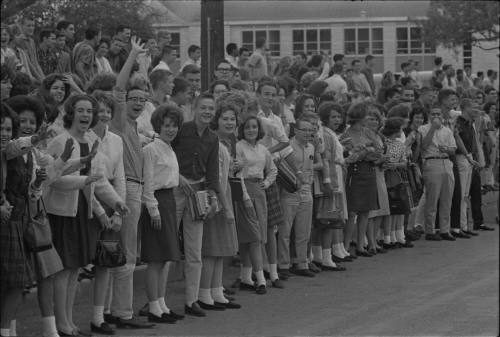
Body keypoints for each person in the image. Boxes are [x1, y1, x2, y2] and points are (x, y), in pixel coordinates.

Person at [44, 94, 127, 335]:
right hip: (61, 213)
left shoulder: (90, 143)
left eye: (89, 112)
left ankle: (68, 322)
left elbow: (98, 182)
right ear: (71, 113)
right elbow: (53, 179)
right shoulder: (60, 141)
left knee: (74, 271)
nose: (85, 115)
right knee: (63, 270)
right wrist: (83, 180)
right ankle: (61, 323)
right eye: (80, 110)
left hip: (82, 212)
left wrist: (116, 202)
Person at [104, 36, 155, 329]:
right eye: (134, 100)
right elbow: (119, 88)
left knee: (124, 253)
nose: (137, 103)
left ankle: (115, 310)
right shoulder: (120, 122)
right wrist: (134, 55)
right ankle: (122, 312)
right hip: (126, 189)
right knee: (127, 255)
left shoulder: (136, 127)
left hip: (133, 189)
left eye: (142, 100)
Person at [171, 92, 220, 317]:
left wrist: (213, 198)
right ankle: (157, 302)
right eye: (204, 108)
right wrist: (177, 177)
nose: (207, 112)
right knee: (167, 245)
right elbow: (165, 152)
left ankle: (192, 301)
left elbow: (212, 172)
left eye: (211, 108)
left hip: (198, 192)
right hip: (175, 189)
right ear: (194, 108)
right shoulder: (181, 130)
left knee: (195, 250)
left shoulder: (213, 138)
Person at [141, 105, 185, 323]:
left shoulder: (169, 148)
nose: (171, 129)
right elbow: (147, 183)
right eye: (166, 125)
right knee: (155, 259)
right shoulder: (151, 149)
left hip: (169, 201)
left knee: (164, 258)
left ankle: (161, 304)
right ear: (158, 125)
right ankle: (153, 308)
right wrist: (152, 209)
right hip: (157, 202)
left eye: (174, 125)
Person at [199, 103, 240, 310]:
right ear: (217, 120)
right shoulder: (215, 142)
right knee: (211, 248)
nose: (229, 122)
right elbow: (216, 177)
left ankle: (216, 289)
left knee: (221, 249)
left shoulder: (225, 143)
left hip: (224, 193)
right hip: (216, 197)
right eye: (225, 118)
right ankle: (204, 293)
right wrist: (225, 205)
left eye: (232, 119)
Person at [236, 116, 277, 293]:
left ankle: (246, 277)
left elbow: (273, 169)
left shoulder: (263, 149)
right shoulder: (239, 147)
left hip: (259, 190)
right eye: (247, 127)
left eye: (254, 127)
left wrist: (267, 183)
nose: (251, 130)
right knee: (252, 236)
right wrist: (244, 194)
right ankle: (260, 279)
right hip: (244, 189)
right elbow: (237, 172)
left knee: (258, 233)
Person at [340, 102, 383, 257]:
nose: (368, 118)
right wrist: (367, 150)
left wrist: (364, 151)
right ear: (359, 116)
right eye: (366, 115)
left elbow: (378, 153)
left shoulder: (368, 132)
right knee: (352, 212)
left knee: (365, 211)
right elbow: (348, 155)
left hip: (368, 171)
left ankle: (360, 246)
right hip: (354, 173)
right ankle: (345, 246)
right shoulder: (346, 134)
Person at [419, 106, 457, 241]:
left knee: (447, 199)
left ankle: (445, 230)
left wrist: (447, 149)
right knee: (432, 199)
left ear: (442, 115)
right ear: (429, 115)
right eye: (433, 113)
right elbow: (423, 146)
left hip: (446, 162)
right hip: (432, 162)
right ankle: (429, 230)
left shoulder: (447, 130)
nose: (436, 116)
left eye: (438, 113)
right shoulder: (423, 129)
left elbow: (454, 149)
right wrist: (433, 128)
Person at [454, 98, 482, 237]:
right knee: (462, 194)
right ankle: (459, 226)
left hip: (468, 157)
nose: (476, 110)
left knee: (466, 194)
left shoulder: (470, 123)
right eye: (473, 107)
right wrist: (468, 157)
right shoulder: (458, 122)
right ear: (465, 108)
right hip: (461, 158)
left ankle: (464, 225)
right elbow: (458, 141)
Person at [13, 16, 44, 83]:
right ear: (22, 26)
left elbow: (35, 62)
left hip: (35, 75)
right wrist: (40, 79)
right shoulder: (19, 40)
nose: (31, 28)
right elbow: (29, 64)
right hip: (26, 76)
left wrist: (44, 78)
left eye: (33, 26)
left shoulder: (32, 41)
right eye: (28, 26)